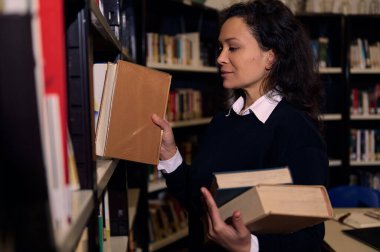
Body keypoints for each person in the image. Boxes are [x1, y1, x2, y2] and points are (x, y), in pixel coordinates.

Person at [151, 0, 328, 251]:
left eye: (233, 48)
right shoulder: (221, 121)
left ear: (270, 57)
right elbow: (200, 203)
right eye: (220, 48)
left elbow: (309, 236)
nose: (220, 58)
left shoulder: (296, 130)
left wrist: (250, 246)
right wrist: (170, 156)